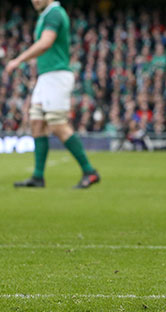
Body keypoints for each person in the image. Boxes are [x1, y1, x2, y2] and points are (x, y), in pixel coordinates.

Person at [7, 0, 100, 189]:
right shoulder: (45, 15)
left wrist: (18, 60)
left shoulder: (54, 13)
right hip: (46, 76)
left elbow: (46, 43)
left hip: (57, 76)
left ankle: (89, 171)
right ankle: (38, 177)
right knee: (36, 121)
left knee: (57, 124)